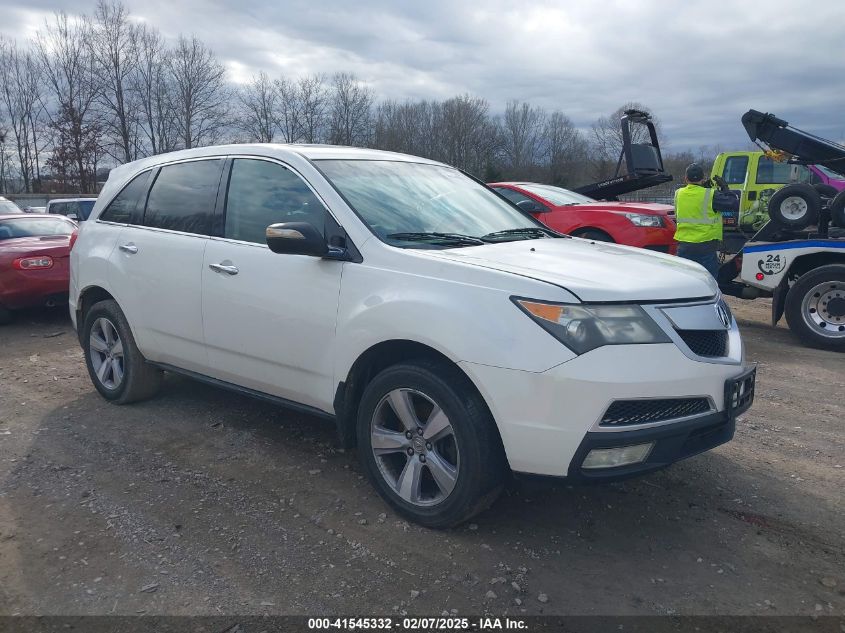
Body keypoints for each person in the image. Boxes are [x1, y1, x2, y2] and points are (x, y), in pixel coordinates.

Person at [673, 163, 723, 278]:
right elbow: (733, 203)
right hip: (706, 245)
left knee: (684, 278)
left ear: (686, 178)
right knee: (708, 281)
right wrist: (724, 189)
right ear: (703, 178)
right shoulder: (711, 194)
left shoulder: (678, 193)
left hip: (684, 244)